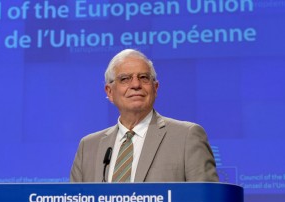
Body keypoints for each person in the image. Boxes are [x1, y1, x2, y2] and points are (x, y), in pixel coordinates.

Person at [70, 49, 219, 182]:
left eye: (143, 77)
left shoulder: (187, 136)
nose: (136, 84)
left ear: (155, 88)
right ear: (109, 92)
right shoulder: (88, 146)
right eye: (125, 79)